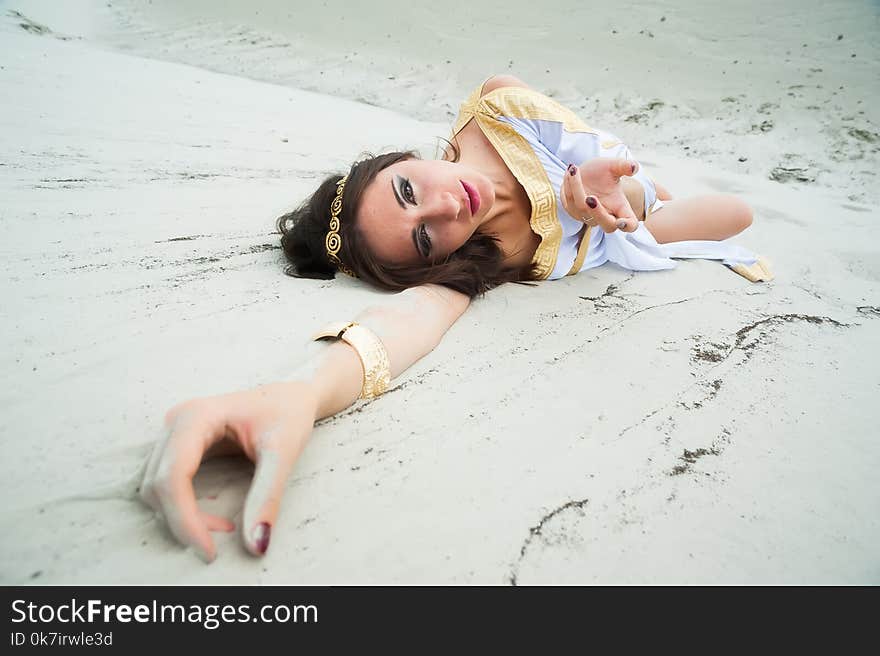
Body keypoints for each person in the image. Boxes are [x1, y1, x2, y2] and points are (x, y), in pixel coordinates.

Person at [139, 75, 772, 562]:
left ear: (397, 160)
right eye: (423, 240)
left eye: (408, 191)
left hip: (620, 189)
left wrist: (609, 190)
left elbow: (604, 153)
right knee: (731, 216)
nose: (444, 210)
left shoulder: (496, 107)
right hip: (624, 233)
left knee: (663, 196)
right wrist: (300, 393)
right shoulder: (485, 259)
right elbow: (410, 321)